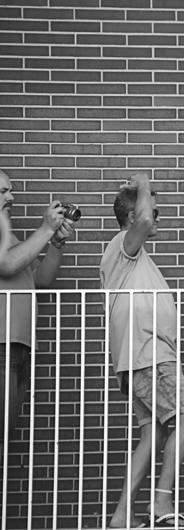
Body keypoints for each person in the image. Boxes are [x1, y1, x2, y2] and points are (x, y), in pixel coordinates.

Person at [100, 173, 184, 528]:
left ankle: (121, 517)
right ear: (132, 217)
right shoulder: (123, 245)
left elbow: (143, 218)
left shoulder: (136, 257)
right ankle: (161, 503)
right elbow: (142, 220)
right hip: (148, 356)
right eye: (154, 212)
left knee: (153, 435)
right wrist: (142, 182)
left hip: (143, 357)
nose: (156, 218)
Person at [0, 169, 74, 465]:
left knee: (4, 434)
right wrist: (45, 229)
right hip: (1, 345)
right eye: (3, 191)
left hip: (18, 348)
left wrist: (55, 243)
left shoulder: (9, 237)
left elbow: (41, 279)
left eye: (11, 190)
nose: (11, 197)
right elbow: (7, 264)